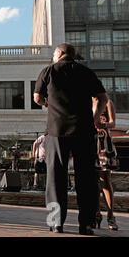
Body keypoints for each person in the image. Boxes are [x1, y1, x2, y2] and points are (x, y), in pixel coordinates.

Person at [34, 43, 108, 235]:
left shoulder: (48, 71)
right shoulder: (85, 71)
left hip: (57, 131)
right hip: (84, 130)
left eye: (53, 54)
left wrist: (49, 104)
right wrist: (94, 118)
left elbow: (36, 98)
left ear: (59, 54)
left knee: (55, 179)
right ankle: (87, 224)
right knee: (87, 178)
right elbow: (103, 98)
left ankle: (55, 223)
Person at [92, 98, 118, 231]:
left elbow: (113, 123)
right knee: (93, 183)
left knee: (105, 181)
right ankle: (96, 215)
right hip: (90, 144)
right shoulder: (85, 102)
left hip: (104, 146)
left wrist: (104, 124)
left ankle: (110, 216)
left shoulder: (107, 102)